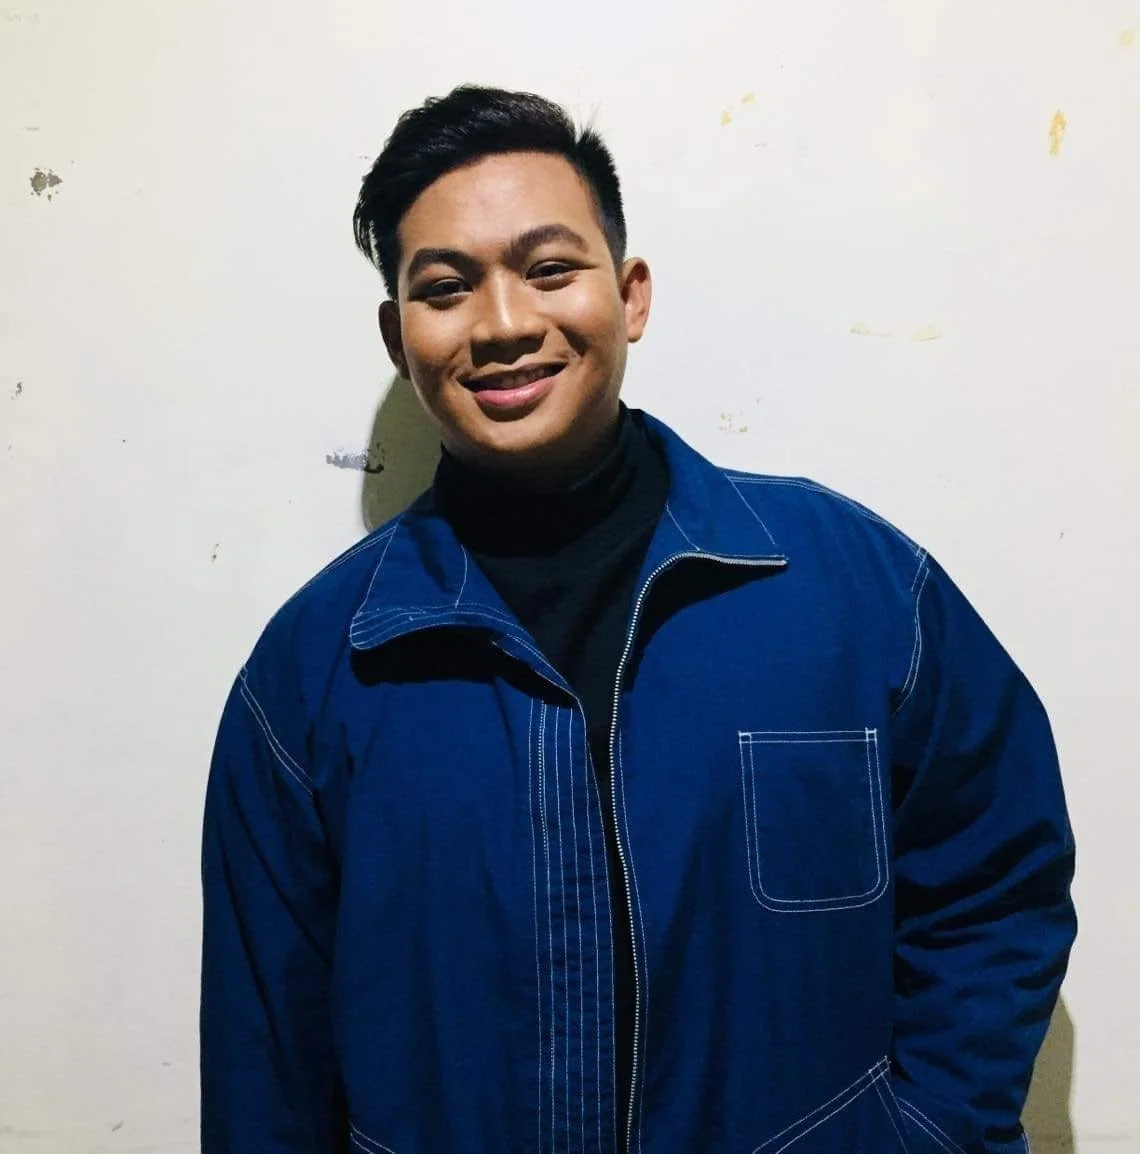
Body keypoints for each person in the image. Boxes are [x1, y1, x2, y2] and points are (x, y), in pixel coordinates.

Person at [199, 85, 1076, 1154]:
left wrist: (927, 1131)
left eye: (549, 268)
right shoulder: (315, 671)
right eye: (447, 286)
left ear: (632, 294)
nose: (507, 322)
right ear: (398, 336)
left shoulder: (852, 591)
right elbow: (265, 1058)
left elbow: (998, 882)